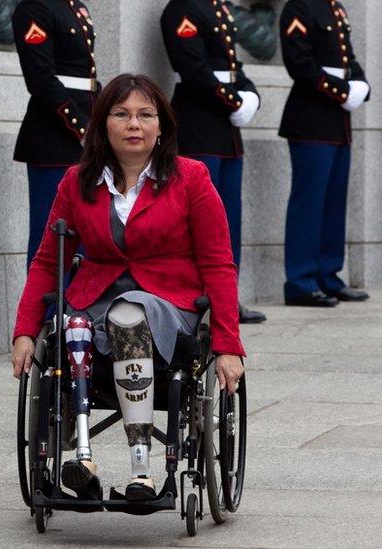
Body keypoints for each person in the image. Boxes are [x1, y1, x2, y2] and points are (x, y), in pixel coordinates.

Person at [11, 74, 246, 501]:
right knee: (74, 324)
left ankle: (143, 471)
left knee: (130, 312)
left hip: (169, 305)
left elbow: (218, 263)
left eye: (145, 115)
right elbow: (49, 260)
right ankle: (80, 456)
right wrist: (26, 331)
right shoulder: (76, 181)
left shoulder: (191, 178)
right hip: (94, 300)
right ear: (103, 125)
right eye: (121, 114)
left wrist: (229, 344)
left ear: (162, 126)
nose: (133, 124)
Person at [160, 0, 266, 324]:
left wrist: (251, 95)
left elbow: (233, 66)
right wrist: (234, 101)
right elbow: (194, 70)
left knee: (228, 219)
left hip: (225, 131)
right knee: (197, 220)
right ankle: (194, 297)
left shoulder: (219, 8)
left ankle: (226, 298)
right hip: (199, 125)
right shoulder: (183, 9)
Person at [279, 0, 371, 308]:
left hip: (337, 123)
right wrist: (342, 91)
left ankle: (328, 275)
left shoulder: (336, 8)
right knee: (309, 204)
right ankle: (301, 281)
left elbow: (349, 57)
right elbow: (300, 62)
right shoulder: (299, 8)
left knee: (333, 203)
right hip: (311, 119)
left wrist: (360, 83)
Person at [12, 0, 101, 268]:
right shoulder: (35, 8)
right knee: (52, 240)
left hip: (87, 138)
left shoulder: (75, 7)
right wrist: (81, 128)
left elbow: (87, 78)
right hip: (54, 138)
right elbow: (40, 79)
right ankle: (47, 310)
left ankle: (78, 309)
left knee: (86, 239)